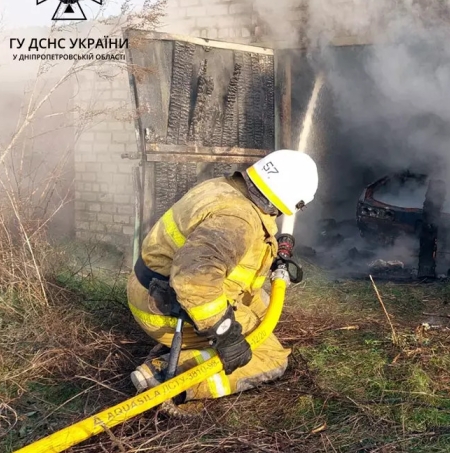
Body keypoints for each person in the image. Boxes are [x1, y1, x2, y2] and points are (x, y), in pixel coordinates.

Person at [127, 149, 318, 401]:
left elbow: (223, 254)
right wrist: (225, 334)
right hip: (171, 309)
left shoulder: (223, 188)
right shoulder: (237, 220)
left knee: (264, 317)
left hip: (153, 288)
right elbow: (194, 279)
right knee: (270, 356)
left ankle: (195, 353)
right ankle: (167, 377)